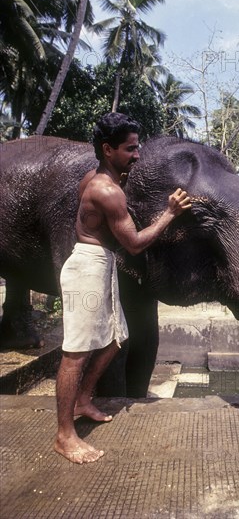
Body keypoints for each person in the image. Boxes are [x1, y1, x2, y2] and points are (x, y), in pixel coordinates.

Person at [54, 112, 191, 464]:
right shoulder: (107, 191)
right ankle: (64, 435)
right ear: (107, 149)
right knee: (74, 355)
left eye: (138, 146)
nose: (137, 154)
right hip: (88, 268)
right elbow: (134, 243)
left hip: (100, 265)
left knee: (117, 338)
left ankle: (85, 398)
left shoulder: (95, 178)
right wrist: (170, 213)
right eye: (130, 148)